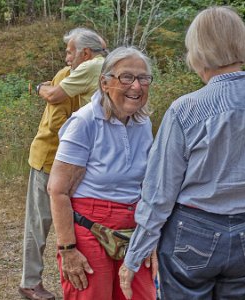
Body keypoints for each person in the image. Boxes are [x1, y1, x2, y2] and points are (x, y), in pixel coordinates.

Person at [119, 6, 245, 300]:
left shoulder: (186, 109)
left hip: (193, 231)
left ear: (198, 53)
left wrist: (136, 254)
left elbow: (160, 191)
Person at [47, 46, 157, 300]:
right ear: (105, 82)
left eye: (143, 78)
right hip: (90, 227)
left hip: (134, 226)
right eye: (126, 77)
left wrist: (150, 236)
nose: (136, 86)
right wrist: (68, 250)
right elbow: (58, 190)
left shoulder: (143, 122)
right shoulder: (84, 122)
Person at [19, 28, 107, 300]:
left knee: (73, 221)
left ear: (85, 53)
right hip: (51, 158)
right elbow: (53, 124)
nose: (66, 57)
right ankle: (30, 282)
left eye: (69, 52)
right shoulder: (66, 76)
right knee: (40, 222)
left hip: (75, 161)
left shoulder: (91, 71)